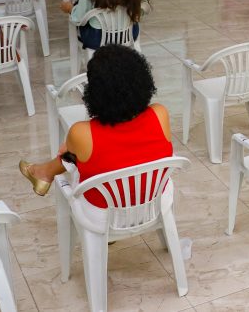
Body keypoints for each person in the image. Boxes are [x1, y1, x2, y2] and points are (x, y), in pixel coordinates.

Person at [19, 44, 172, 204]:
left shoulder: (81, 132)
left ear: (95, 91)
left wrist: (70, 147)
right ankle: (44, 172)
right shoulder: (159, 113)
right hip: (155, 200)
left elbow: (73, 153)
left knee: (72, 154)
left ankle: (44, 173)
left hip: (102, 214)